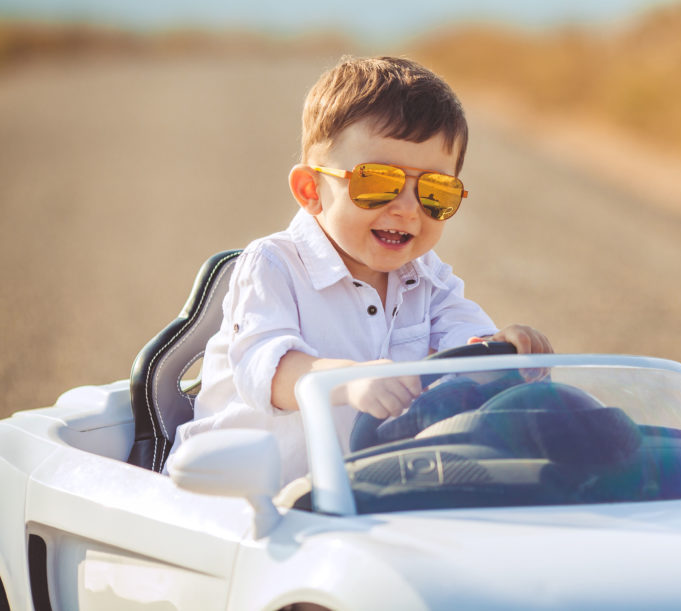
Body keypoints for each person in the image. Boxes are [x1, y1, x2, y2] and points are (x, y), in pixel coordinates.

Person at [167, 56, 552, 484]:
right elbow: (269, 369)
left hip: (358, 497)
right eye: (377, 183)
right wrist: (350, 380)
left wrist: (505, 350)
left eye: (435, 191)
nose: (407, 209)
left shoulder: (429, 279)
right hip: (233, 499)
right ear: (311, 190)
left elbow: (472, 344)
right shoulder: (273, 265)